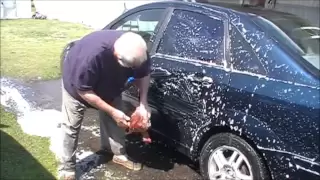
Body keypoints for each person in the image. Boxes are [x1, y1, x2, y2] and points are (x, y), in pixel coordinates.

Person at [58, 30, 151, 180]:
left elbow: (144, 74)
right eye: (131, 67)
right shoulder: (91, 56)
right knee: (71, 126)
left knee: (116, 121)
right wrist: (112, 111)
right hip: (77, 86)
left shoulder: (138, 50)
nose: (134, 70)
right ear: (117, 57)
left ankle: (117, 153)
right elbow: (83, 91)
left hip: (110, 85)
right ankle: (67, 168)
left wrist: (143, 103)